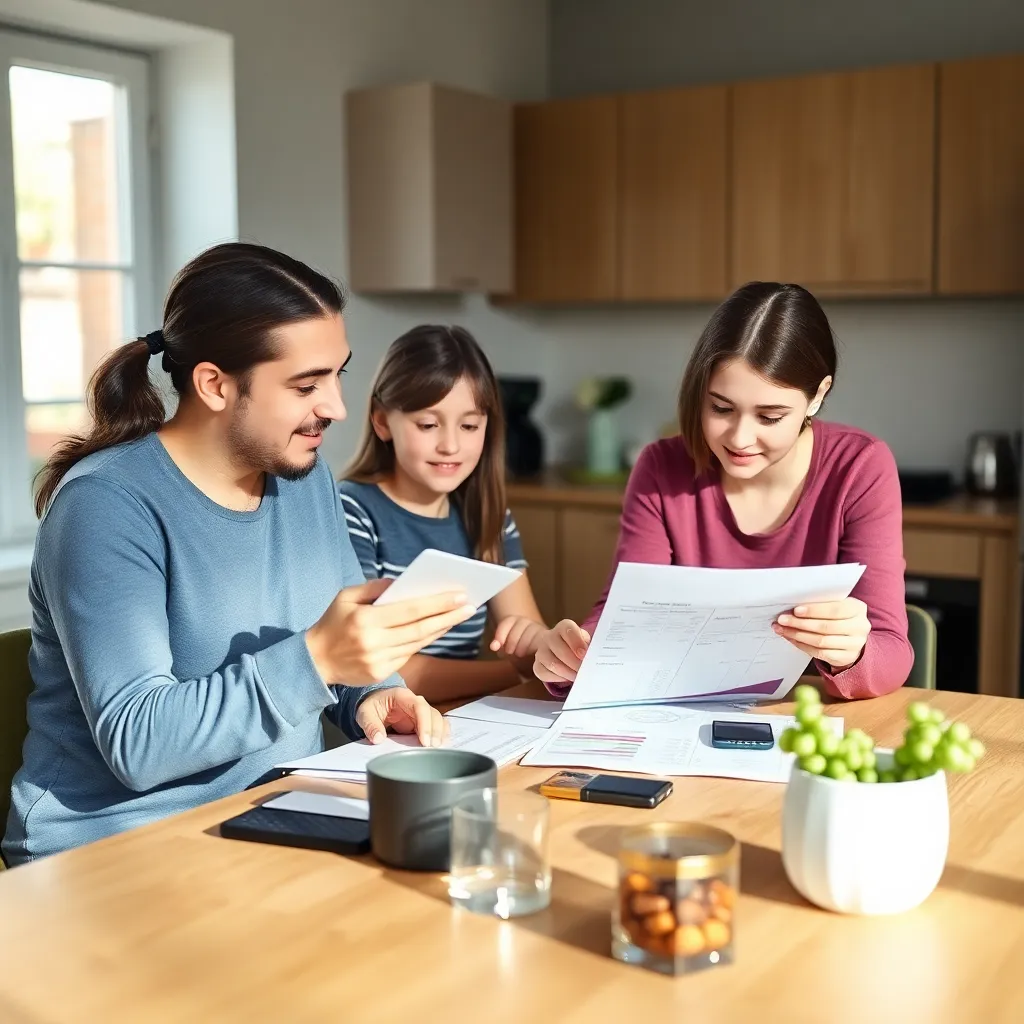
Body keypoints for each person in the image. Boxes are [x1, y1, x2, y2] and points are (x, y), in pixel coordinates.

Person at [3, 243, 475, 867]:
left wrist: (372, 695)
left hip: (268, 816)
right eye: (306, 384)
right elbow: (138, 743)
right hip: (113, 849)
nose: (334, 406)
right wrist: (320, 658)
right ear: (215, 384)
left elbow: (331, 646)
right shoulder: (105, 507)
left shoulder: (303, 478)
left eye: (338, 374)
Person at [532, 282, 912, 702]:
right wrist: (574, 656)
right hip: (681, 710)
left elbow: (891, 651)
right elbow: (623, 616)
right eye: (720, 408)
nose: (740, 438)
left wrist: (853, 653)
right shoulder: (661, 467)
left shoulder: (860, 467)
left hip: (801, 716)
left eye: (770, 417)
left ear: (817, 396)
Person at [339, 325, 547, 703]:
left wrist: (548, 646)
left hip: (462, 716)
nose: (450, 445)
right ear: (383, 421)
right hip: (382, 728)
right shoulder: (352, 511)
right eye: (428, 425)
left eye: (469, 425)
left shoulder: (489, 516)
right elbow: (384, 670)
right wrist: (510, 672)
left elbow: (529, 637)